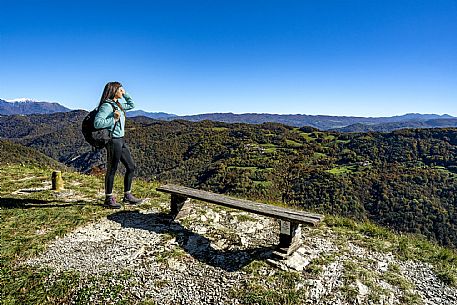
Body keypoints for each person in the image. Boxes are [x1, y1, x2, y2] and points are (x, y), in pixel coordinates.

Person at [94, 81, 143, 208]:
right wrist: (113, 119)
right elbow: (97, 123)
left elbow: (132, 105)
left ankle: (127, 195)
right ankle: (108, 198)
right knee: (112, 169)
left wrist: (126, 94)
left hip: (120, 140)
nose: (123, 91)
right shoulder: (107, 106)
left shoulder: (118, 104)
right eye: (121, 90)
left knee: (131, 167)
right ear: (114, 91)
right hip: (113, 141)